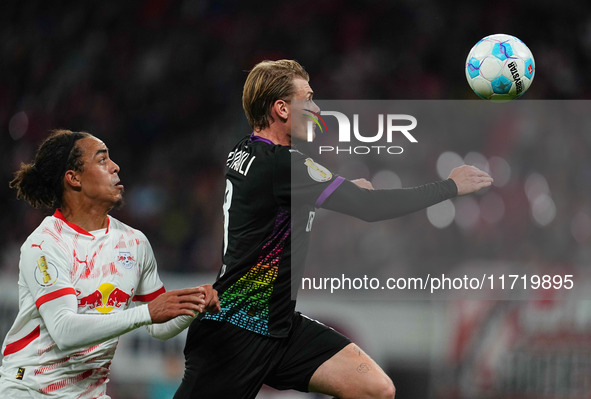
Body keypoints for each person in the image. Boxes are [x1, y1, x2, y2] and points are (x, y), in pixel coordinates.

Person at [174, 60, 493, 399]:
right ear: (282, 108)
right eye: (307, 99)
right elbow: (369, 208)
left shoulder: (245, 151)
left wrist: (341, 191)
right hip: (236, 330)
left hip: (281, 327)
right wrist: (450, 187)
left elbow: (273, 206)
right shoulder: (285, 165)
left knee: (375, 389)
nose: (316, 108)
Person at [0, 130, 220, 398]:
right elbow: (65, 331)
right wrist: (147, 313)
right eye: (102, 160)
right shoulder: (45, 244)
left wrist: (191, 305)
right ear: (74, 178)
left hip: (89, 393)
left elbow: (158, 327)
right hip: (29, 389)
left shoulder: (133, 242)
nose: (115, 167)